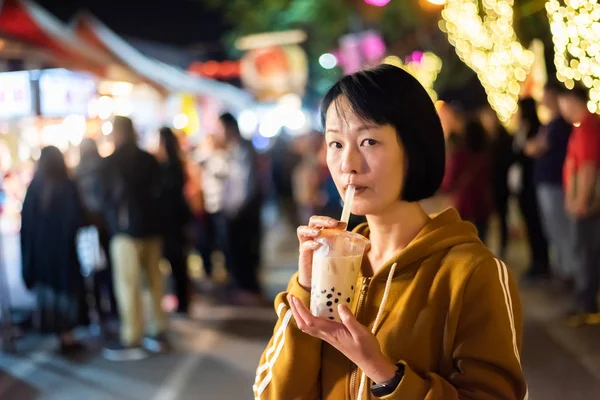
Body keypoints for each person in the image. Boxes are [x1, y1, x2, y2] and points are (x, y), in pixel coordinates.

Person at [255, 65, 526, 399]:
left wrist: (384, 373)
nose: (347, 163)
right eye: (335, 143)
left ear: (413, 148)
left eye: (369, 141)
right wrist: (306, 288)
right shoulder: (333, 265)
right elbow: (272, 393)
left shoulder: (472, 273)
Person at [100, 116, 167, 361]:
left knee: (128, 286)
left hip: (125, 232)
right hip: (151, 230)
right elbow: (162, 192)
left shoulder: (111, 163)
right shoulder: (149, 159)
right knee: (154, 283)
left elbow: (104, 199)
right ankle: (158, 331)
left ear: (118, 133)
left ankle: (133, 337)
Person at [21, 146, 86, 353]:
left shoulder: (35, 187)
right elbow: (77, 218)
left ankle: (55, 331)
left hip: (42, 253)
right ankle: (67, 335)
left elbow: (27, 226)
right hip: (64, 252)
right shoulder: (67, 185)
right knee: (66, 292)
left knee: (49, 292)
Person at [558, 84, 600, 326]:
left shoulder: (587, 128)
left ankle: (587, 305)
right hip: (583, 202)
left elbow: (588, 167)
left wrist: (580, 200)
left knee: (585, 253)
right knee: (587, 252)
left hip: (585, 204)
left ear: (571, 101)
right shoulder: (588, 126)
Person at [523, 83, 574, 283]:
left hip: (555, 183)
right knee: (552, 228)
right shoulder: (549, 124)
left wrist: (533, 146)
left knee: (560, 229)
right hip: (547, 182)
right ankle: (563, 270)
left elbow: (535, 147)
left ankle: (568, 272)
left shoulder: (559, 124)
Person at [218, 112, 264, 305]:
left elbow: (247, 183)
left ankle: (248, 289)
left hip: (243, 211)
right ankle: (244, 287)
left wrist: (237, 207)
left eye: (220, 128)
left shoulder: (243, 148)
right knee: (237, 250)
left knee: (244, 250)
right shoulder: (233, 149)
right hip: (234, 210)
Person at [74, 138, 118, 327]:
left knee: (93, 270)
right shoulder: (105, 167)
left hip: (88, 228)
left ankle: (100, 311)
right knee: (110, 269)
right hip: (107, 225)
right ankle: (114, 309)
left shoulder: (77, 172)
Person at [156, 127, 193, 314]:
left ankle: (181, 301)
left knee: (176, 261)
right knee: (179, 261)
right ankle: (182, 300)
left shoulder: (167, 166)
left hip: (170, 220)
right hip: (178, 218)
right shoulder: (177, 162)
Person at [514, 97, 550, 282]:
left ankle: (542, 263)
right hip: (522, 185)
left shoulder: (536, 128)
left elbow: (529, 153)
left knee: (536, 224)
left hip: (532, 185)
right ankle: (535, 262)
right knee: (528, 224)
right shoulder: (522, 129)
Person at [441, 119, 493, 240]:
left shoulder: (459, 156)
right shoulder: (486, 155)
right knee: (481, 240)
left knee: (465, 241)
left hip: (464, 204)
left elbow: (449, 182)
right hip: (482, 202)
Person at [480, 105, 514, 257]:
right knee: (486, 219)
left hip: (500, 182)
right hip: (486, 184)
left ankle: (502, 248)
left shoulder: (503, 137)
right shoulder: (483, 138)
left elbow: (507, 159)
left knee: (502, 217)